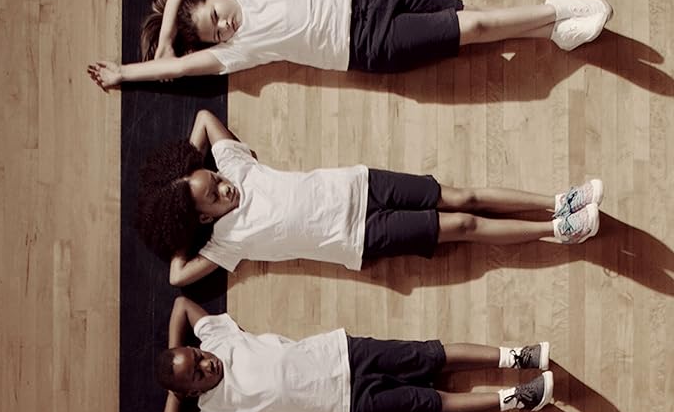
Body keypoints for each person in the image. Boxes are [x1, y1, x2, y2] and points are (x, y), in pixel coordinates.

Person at [139, 112, 601, 287]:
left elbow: (203, 119)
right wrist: (183, 218)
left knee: (463, 194)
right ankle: (555, 230)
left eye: (215, 178)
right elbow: (178, 276)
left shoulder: (236, 167)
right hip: (361, 235)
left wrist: (185, 180)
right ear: (204, 217)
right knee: (464, 225)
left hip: (363, 184)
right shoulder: (226, 241)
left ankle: (557, 200)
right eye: (214, 197)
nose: (225, 187)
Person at [87, 0, 611, 90]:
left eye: (215, 17)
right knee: (470, 28)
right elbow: (182, 68)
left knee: (467, 16)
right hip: (367, 44)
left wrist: (163, 38)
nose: (224, 26)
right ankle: (558, 10)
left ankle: (552, 32)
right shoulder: (239, 50)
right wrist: (127, 73)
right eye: (216, 33)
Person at [157, 297, 555, 412]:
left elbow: (181, 305)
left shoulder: (218, 338)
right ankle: (518, 398)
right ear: (192, 392)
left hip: (345, 353)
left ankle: (517, 356)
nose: (207, 363)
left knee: (433, 355)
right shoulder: (216, 410)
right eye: (198, 374)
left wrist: (180, 359)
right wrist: (176, 393)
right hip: (345, 407)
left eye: (197, 355)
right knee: (434, 404)